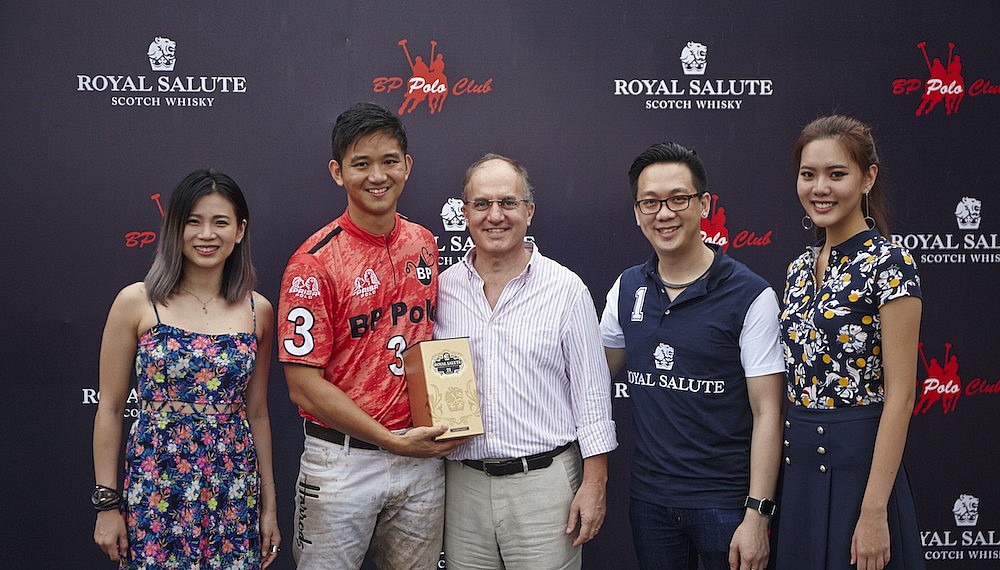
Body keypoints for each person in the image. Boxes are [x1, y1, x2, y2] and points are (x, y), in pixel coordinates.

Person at [278, 102, 462, 569]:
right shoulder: (313, 262)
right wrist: (390, 440)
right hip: (342, 463)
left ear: (407, 166)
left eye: (389, 161)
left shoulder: (424, 242)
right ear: (338, 172)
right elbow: (303, 386)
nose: (377, 176)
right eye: (361, 164)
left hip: (420, 458)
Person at [599, 142, 785, 570]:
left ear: (704, 205)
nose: (664, 214)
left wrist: (758, 514)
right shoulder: (627, 288)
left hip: (728, 503)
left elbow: (769, 412)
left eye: (678, 199)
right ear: (637, 213)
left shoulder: (751, 295)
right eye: (650, 202)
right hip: (650, 502)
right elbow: (592, 377)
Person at [434, 154, 618, 569]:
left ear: (529, 211)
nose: (495, 215)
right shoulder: (441, 291)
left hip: (544, 488)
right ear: (465, 212)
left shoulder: (566, 289)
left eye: (508, 203)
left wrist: (595, 482)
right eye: (482, 204)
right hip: (462, 487)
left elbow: (592, 396)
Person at [92, 169, 280, 568]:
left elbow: (258, 413)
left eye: (220, 222)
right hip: (156, 485)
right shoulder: (137, 302)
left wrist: (269, 507)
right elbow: (109, 407)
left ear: (240, 230)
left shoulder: (258, 310)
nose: (206, 234)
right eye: (193, 222)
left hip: (233, 486)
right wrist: (107, 504)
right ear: (174, 228)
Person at [777, 115, 924, 570]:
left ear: (867, 178)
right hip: (798, 476)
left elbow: (901, 396)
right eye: (808, 174)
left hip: (861, 478)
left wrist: (874, 510)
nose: (820, 188)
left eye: (836, 174)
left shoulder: (891, 263)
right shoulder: (798, 269)